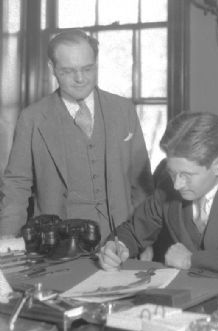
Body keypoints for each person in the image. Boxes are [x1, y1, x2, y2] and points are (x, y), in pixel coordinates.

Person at [0, 29, 153, 239]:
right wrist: (6, 243)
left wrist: (143, 238)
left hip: (121, 242)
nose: (80, 79)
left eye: (87, 69)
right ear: (52, 68)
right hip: (58, 245)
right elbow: (16, 186)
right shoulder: (32, 118)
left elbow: (142, 184)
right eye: (68, 71)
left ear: (96, 64)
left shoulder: (123, 110)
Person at [99, 111, 218, 277]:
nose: (177, 184)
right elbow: (133, 230)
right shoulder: (167, 187)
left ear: (217, 166)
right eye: (172, 172)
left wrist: (190, 260)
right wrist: (117, 248)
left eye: (187, 175)